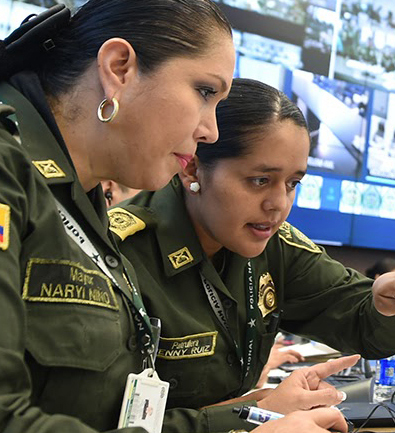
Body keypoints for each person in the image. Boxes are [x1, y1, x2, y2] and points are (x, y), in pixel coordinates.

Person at [0, 2, 348, 432]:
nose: (210, 131)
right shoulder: (10, 169)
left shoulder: (81, 200)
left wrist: (248, 417)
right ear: (119, 67)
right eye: (204, 92)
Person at [110, 78, 395, 419]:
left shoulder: (275, 246)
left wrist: (386, 303)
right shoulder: (117, 252)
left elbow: (364, 325)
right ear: (193, 168)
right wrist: (253, 414)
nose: (279, 204)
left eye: (293, 183)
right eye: (260, 180)